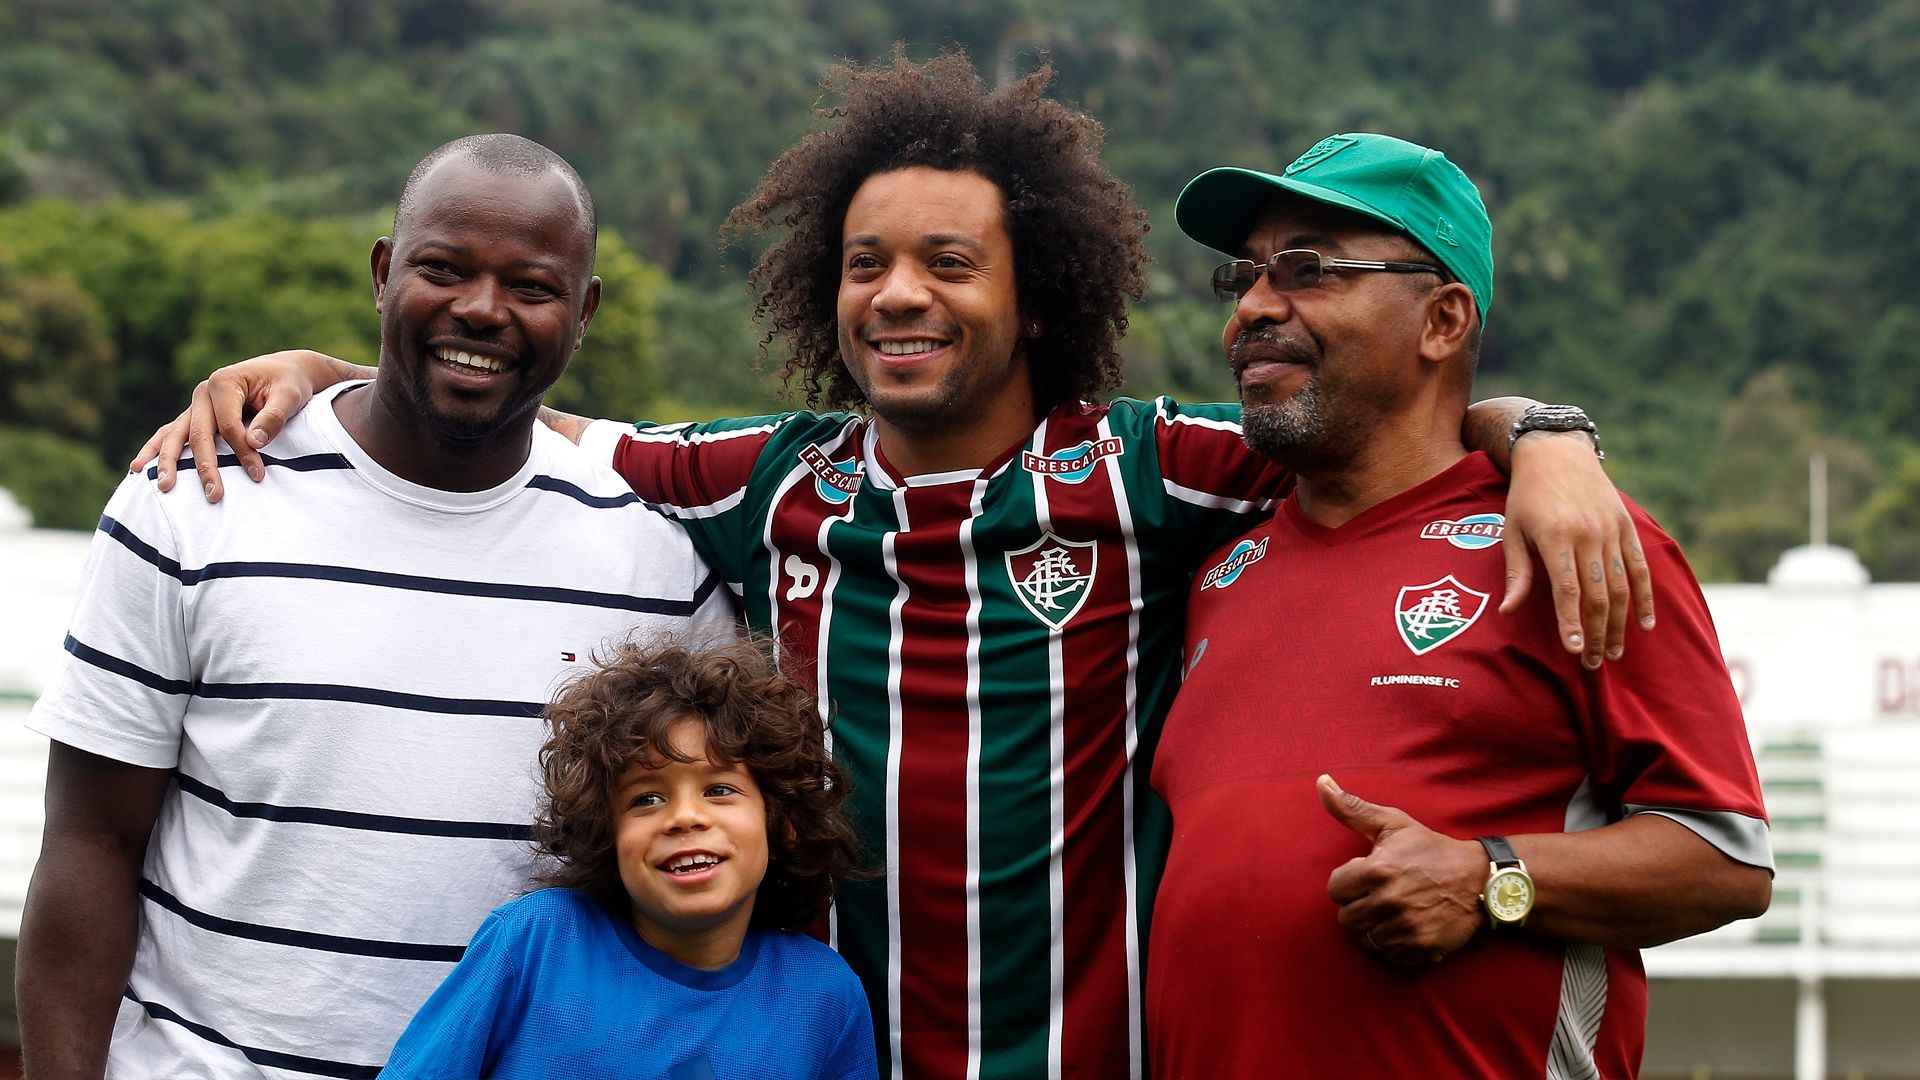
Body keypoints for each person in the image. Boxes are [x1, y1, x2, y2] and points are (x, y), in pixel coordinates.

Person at [134, 54, 1651, 1080]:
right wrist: (340, 366)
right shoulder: (778, 477)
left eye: (948, 263)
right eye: (867, 264)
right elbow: (531, 416)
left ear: (1034, 288)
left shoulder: (1151, 467)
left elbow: (1379, 431)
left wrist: (1547, 435)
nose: (899, 295)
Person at [17, 134, 732, 1078]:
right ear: (384, 273)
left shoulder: (658, 557)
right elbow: (89, 843)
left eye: (532, 286)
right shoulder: (191, 499)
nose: (481, 310)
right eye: (443, 269)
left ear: (585, 311)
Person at [1147, 132, 1774, 1077]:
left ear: (1442, 321)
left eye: (1309, 268)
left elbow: (1725, 859)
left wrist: (1492, 876)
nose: (1253, 307)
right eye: (1244, 275)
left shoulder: (1579, 542)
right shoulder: (1216, 571)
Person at [380, 636, 877, 1079]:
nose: (684, 817)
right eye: (646, 798)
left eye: (720, 789)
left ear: (782, 823)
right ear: (606, 834)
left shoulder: (824, 995)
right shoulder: (536, 941)